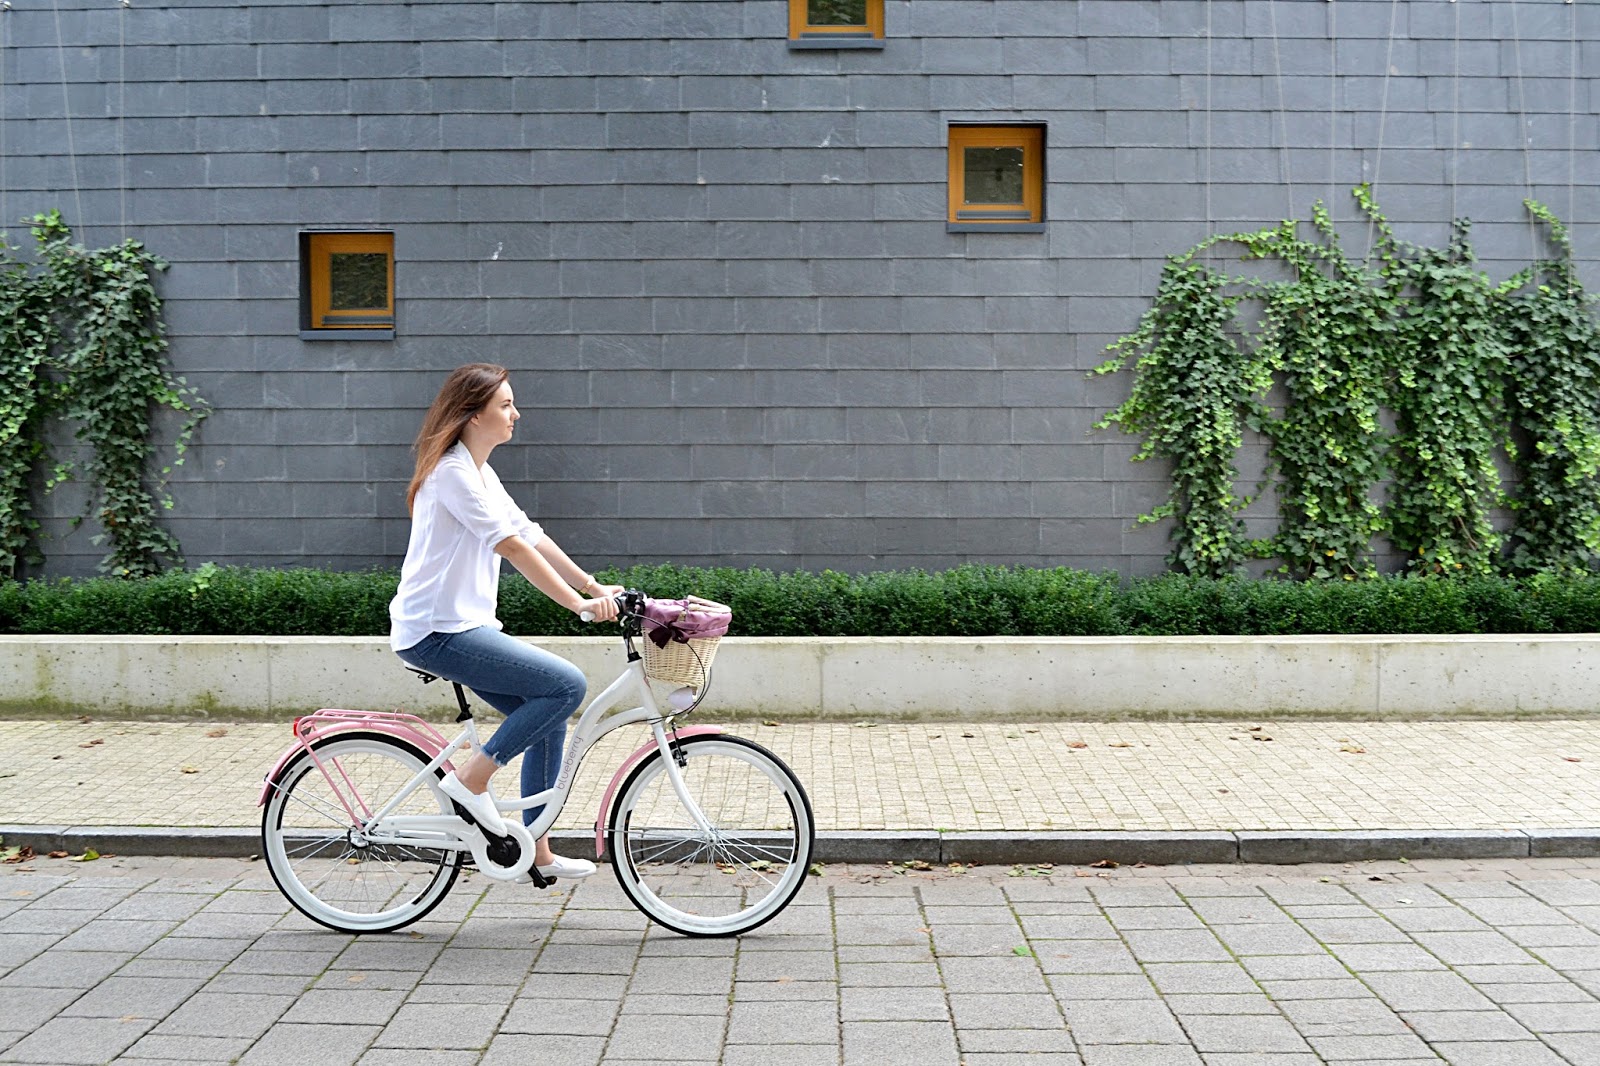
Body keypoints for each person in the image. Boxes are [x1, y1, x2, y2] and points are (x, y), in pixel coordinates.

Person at [389, 362, 623, 880]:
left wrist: (592, 586)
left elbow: (531, 533)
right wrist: (575, 606)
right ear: (473, 415)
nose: (516, 413)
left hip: (461, 628)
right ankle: (470, 783)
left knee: (546, 714)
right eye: (505, 405)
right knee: (566, 684)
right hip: (436, 632)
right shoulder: (453, 474)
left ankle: (535, 849)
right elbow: (512, 547)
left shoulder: (480, 472)